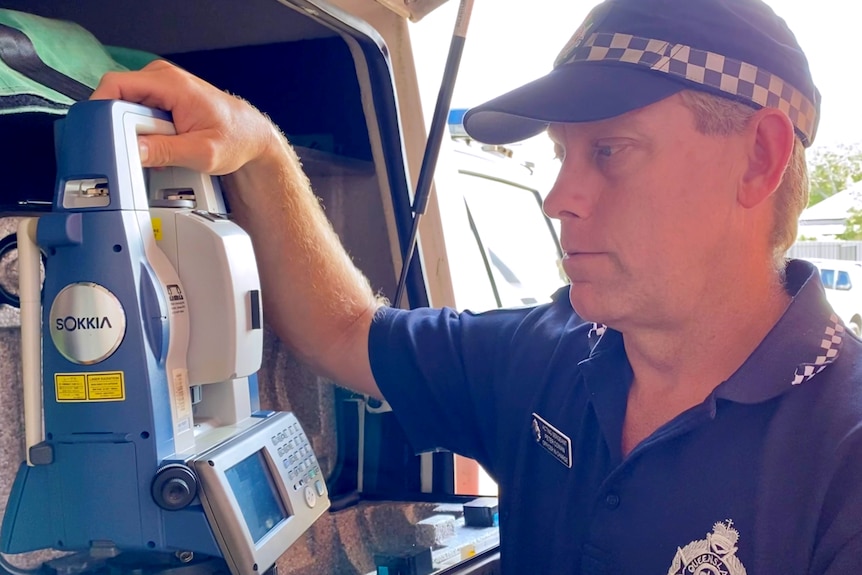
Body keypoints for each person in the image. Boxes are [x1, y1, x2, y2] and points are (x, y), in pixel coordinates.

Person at [92, 0, 862, 572]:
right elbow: (343, 330)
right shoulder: (549, 355)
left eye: (612, 151)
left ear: (758, 159)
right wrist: (258, 148)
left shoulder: (842, 449)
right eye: (562, 155)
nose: (562, 195)